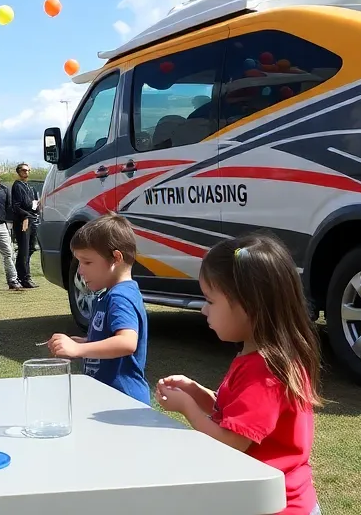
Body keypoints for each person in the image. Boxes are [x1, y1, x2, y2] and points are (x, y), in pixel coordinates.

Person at [155, 235, 321, 515]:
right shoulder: (262, 358)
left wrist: (188, 409)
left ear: (249, 307)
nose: (204, 309)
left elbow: (232, 442)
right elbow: (238, 416)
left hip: (275, 507)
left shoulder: (266, 371)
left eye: (210, 300)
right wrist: (197, 392)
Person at [47, 214, 148, 404]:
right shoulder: (110, 294)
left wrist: (78, 349)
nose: (80, 271)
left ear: (116, 258)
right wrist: (87, 342)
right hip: (108, 401)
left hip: (123, 403)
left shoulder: (120, 297)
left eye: (87, 262)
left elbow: (127, 343)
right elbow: (110, 337)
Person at [10, 163, 40, 288]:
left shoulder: (30, 187)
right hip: (23, 220)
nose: (26, 172)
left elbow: (33, 204)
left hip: (32, 219)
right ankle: (24, 277)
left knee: (31, 248)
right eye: (23, 170)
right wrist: (26, 216)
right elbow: (16, 206)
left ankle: (22, 273)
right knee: (24, 249)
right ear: (19, 172)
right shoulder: (17, 186)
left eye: (28, 170)